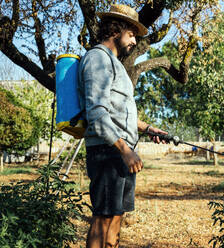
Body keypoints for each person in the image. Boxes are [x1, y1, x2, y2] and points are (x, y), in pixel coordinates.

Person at [78, 4, 167, 248]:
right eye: (131, 35)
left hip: (120, 150)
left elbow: (119, 112)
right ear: (116, 31)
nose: (134, 41)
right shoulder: (97, 58)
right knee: (103, 216)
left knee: (117, 214)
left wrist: (148, 129)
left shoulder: (115, 64)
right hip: (107, 150)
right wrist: (124, 149)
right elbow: (97, 113)